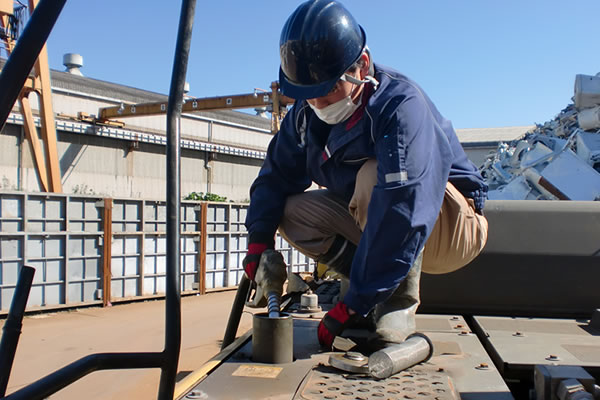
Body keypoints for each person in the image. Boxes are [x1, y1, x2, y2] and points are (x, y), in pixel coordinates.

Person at [243, 0, 488, 350]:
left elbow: (406, 208)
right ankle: (370, 283)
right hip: (383, 218)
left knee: (376, 179)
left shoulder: (401, 108)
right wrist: (258, 243)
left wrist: (354, 303)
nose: (319, 105)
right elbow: (275, 176)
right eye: (308, 96)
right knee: (291, 211)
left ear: (362, 67)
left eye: (328, 91)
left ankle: (392, 304)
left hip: (451, 227)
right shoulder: (305, 116)